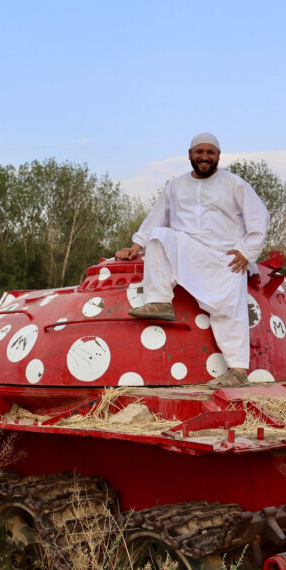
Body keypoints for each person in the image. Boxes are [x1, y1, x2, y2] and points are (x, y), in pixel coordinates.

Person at [115, 132, 270, 388]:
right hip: (187, 249)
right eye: (200, 152)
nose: (205, 157)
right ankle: (159, 302)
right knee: (159, 236)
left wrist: (247, 252)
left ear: (218, 156)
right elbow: (156, 217)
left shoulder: (234, 184)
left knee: (229, 306)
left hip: (226, 255)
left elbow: (259, 216)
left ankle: (238, 371)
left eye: (210, 153)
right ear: (190, 155)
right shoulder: (175, 185)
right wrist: (135, 246)